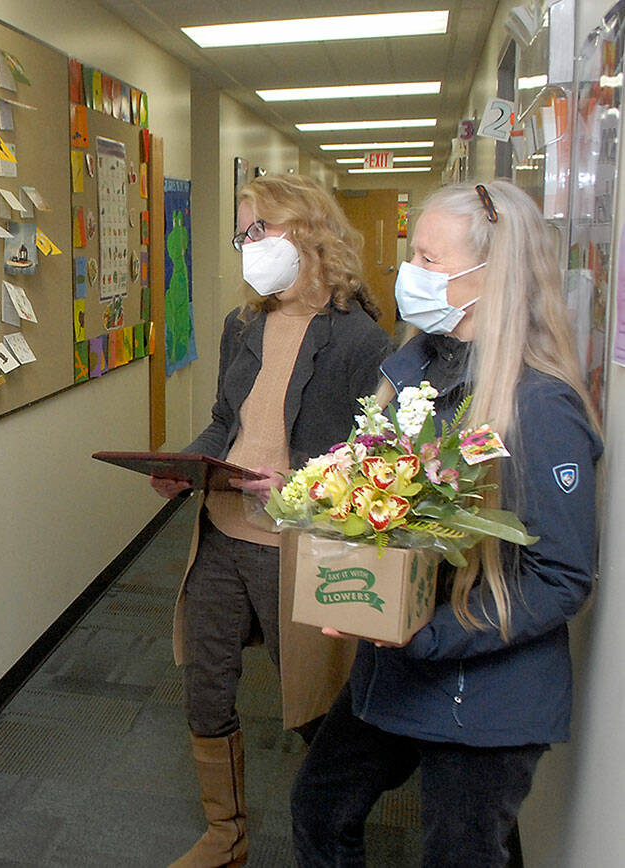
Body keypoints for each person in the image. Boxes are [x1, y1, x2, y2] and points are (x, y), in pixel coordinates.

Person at [290, 180, 602, 867]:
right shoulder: (414, 376)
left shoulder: (539, 408)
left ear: (493, 277)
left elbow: (563, 575)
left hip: (483, 687)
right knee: (318, 805)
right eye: (413, 255)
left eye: (430, 261)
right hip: (397, 666)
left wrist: (428, 632)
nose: (409, 274)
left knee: (463, 852)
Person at [155, 174, 393, 868]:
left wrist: (301, 484)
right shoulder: (243, 326)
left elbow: (373, 460)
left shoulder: (362, 342)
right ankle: (225, 835)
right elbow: (227, 423)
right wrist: (186, 466)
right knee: (205, 682)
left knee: (316, 706)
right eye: (243, 235)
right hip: (224, 534)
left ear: (310, 230)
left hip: (295, 547)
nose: (249, 246)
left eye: (261, 230)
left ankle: (331, 833)